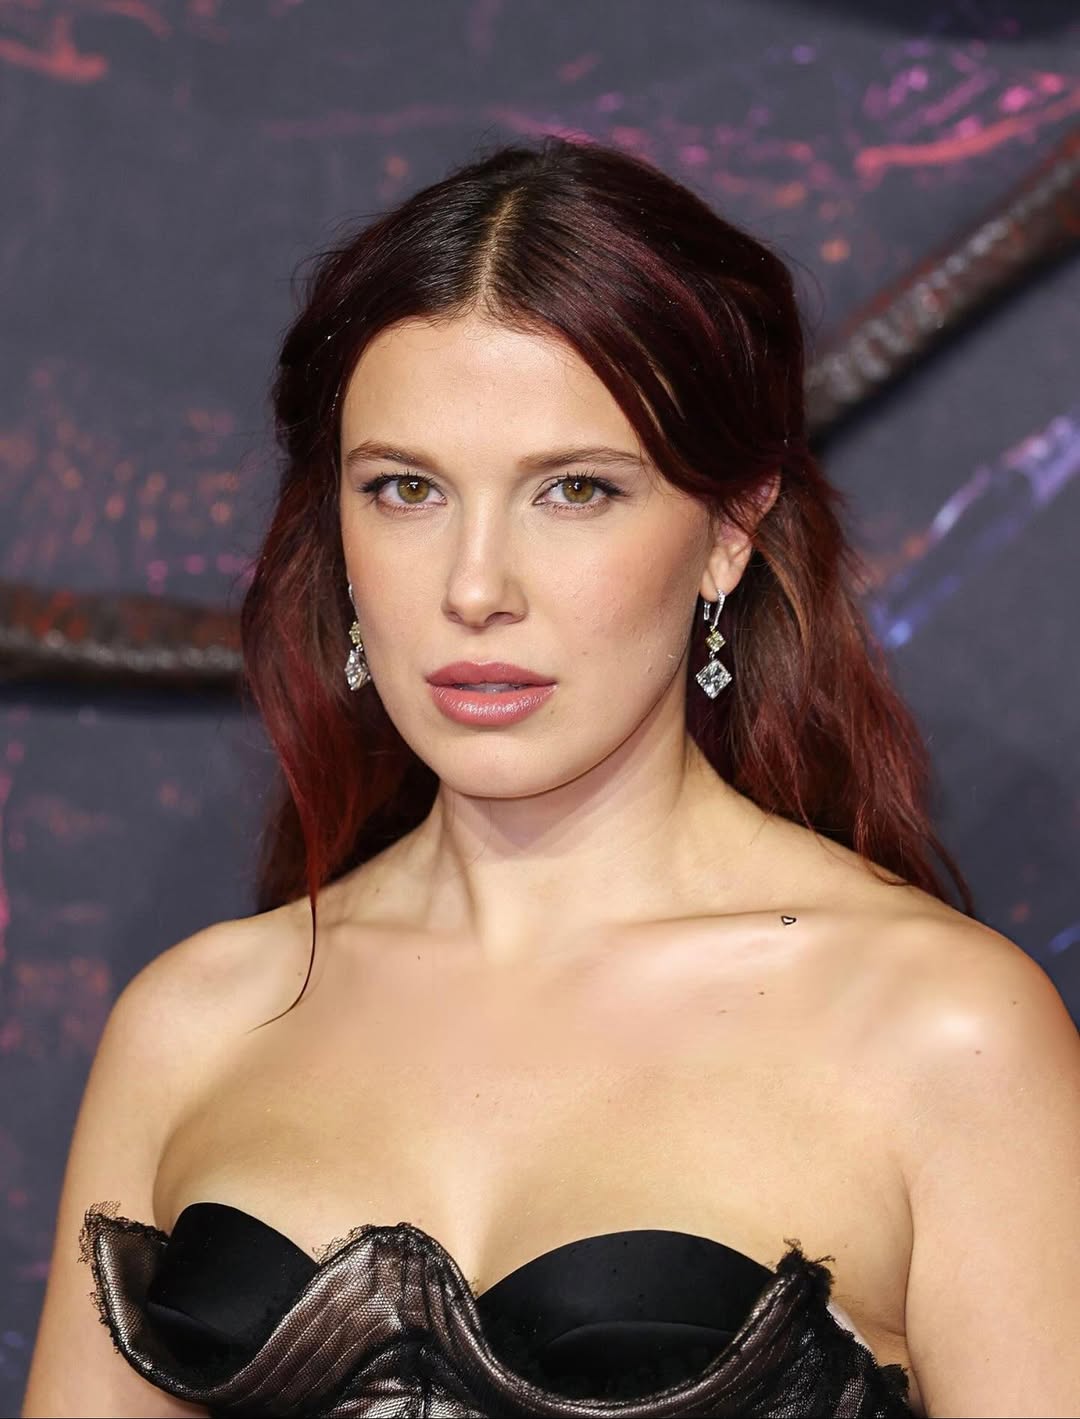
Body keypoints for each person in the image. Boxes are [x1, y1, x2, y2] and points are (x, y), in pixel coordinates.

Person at [22, 136, 1080, 1419]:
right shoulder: (194, 1023)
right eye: (405, 489)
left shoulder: (944, 1033)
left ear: (729, 529)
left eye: (574, 491)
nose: (475, 588)